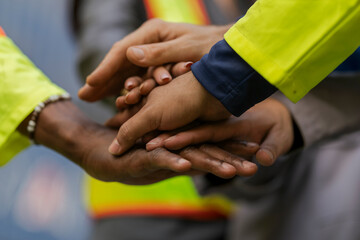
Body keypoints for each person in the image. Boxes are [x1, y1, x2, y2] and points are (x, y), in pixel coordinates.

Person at [76, 1, 360, 156]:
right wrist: (149, 81)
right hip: (155, 211)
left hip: (277, 172)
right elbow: (104, 46)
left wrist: (211, 78)